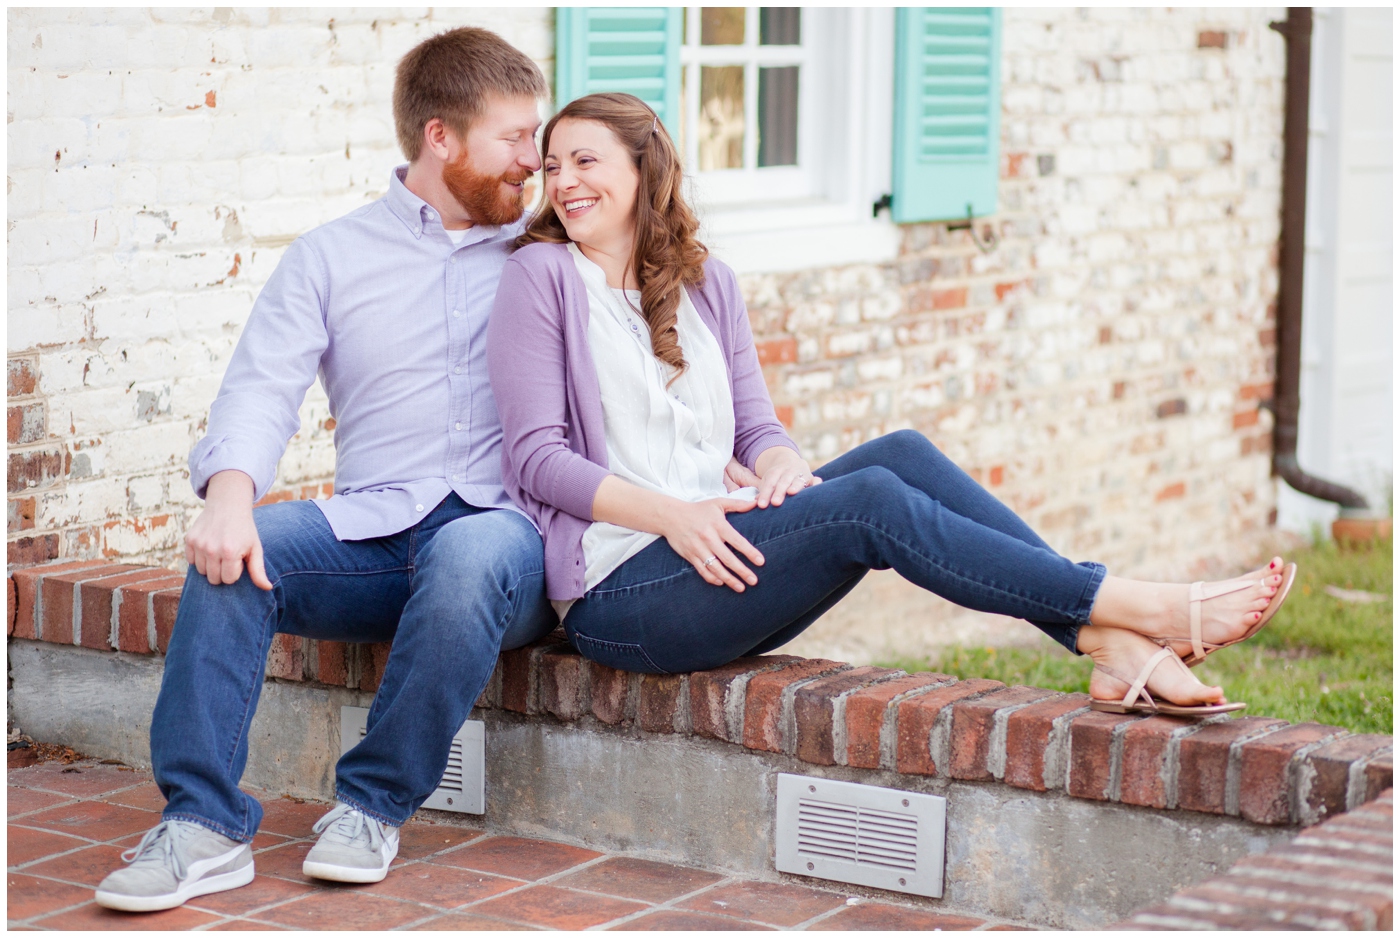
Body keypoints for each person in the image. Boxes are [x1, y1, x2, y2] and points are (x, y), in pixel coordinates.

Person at [487, 93, 1297, 726]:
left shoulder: (708, 282)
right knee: (871, 503)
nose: (563, 183)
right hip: (623, 595)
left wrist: (780, 467)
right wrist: (674, 516)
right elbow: (536, 458)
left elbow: (756, 428)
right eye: (552, 166)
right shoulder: (543, 276)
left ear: (642, 169)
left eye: (583, 161)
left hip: (718, 550)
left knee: (899, 455)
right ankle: (1137, 609)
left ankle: (1112, 640)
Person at [95, 28, 559, 912]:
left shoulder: (548, 254)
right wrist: (230, 499)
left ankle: (371, 806)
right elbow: (262, 387)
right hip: (378, 537)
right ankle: (202, 825)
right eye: (515, 138)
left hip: (510, 546)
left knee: (467, 553)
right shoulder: (330, 257)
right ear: (441, 138)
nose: (533, 162)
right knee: (241, 549)